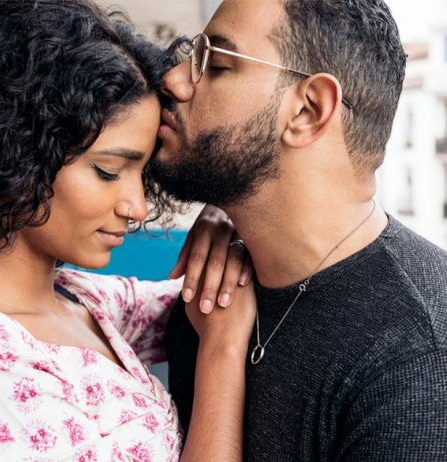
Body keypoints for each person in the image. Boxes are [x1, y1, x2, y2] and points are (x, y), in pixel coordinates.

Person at [0, 1, 256, 460]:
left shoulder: (80, 299)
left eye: (142, 173)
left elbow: (211, 300)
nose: (137, 208)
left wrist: (226, 213)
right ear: (15, 155)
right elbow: (222, 324)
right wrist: (222, 352)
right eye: (109, 171)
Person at [153, 0, 447, 460]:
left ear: (308, 111)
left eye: (218, 64)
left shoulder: (418, 359)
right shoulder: (212, 295)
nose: (174, 79)